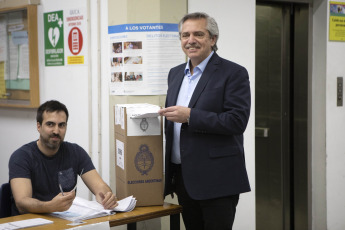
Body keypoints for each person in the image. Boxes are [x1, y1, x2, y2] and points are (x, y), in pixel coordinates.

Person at [158, 12, 251, 230]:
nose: (191, 40)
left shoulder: (233, 73)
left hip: (217, 180)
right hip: (183, 179)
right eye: (185, 35)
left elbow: (237, 121)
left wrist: (190, 115)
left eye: (198, 34)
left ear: (213, 39)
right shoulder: (175, 74)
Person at [8, 100, 118, 215]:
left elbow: (99, 186)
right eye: (50, 124)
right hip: (30, 223)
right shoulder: (21, 157)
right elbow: (22, 203)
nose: (56, 131)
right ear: (39, 126)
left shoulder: (75, 152)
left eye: (61, 125)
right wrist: (50, 206)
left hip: (64, 221)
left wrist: (106, 196)